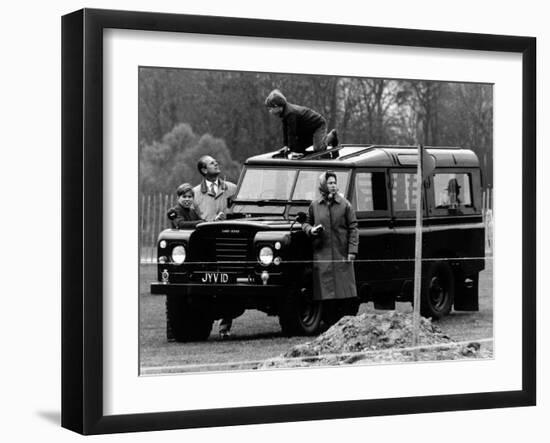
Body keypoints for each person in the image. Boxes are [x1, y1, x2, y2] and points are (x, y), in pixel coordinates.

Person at [193, 155, 238, 339]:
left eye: (215, 161)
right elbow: (192, 220)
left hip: (230, 244)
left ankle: (225, 327)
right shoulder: (195, 193)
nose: (216, 163)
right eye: (212, 163)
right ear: (204, 170)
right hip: (205, 247)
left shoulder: (233, 189)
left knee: (230, 286)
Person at [302, 171, 359, 316]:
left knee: (345, 292)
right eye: (330, 183)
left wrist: (352, 251)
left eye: (334, 183)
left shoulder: (345, 204)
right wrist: (311, 230)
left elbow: (353, 228)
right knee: (326, 295)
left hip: (342, 255)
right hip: (323, 256)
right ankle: (329, 325)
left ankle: (345, 322)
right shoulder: (314, 205)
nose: (333, 186)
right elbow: (306, 223)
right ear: (323, 185)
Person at [264, 89, 338, 156]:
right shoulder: (284, 112)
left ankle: (332, 136)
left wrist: (293, 151)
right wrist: (286, 145)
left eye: (270, 108)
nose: (270, 111)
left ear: (277, 106)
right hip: (307, 129)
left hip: (317, 125)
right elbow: (285, 129)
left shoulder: (290, 113)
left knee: (319, 149)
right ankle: (315, 140)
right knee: (299, 148)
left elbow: (292, 133)